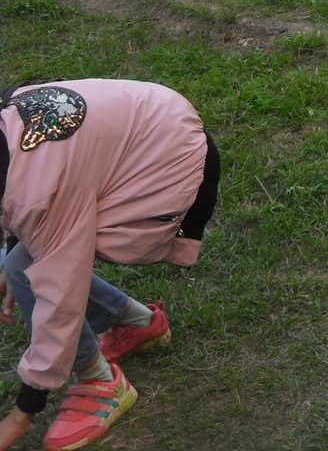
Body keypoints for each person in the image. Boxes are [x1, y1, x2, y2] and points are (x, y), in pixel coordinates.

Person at [0, 79, 219, 451]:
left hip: (174, 161)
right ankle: (134, 321)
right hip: (155, 124)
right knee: (24, 257)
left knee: (32, 266)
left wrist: (23, 413)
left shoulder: (38, 194)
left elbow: (59, 293)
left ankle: (100, 382)